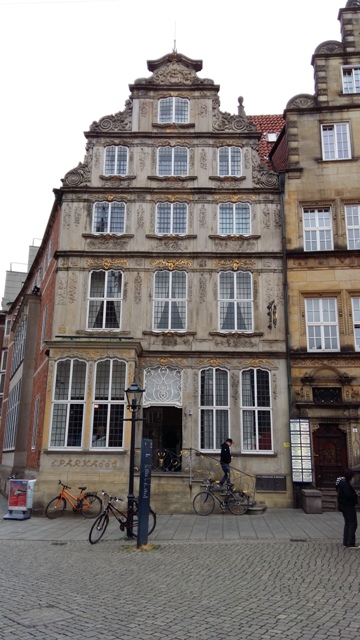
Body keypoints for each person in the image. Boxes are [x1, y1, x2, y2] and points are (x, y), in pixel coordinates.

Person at [336, 469, 360, 548]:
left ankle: (346, 542)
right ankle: (350, 543)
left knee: (348, 523)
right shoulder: (345, 484)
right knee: (353, 524)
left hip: (344, 506)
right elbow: (348, 496)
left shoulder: (342, 483)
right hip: (348, 506)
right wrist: (355, 495)